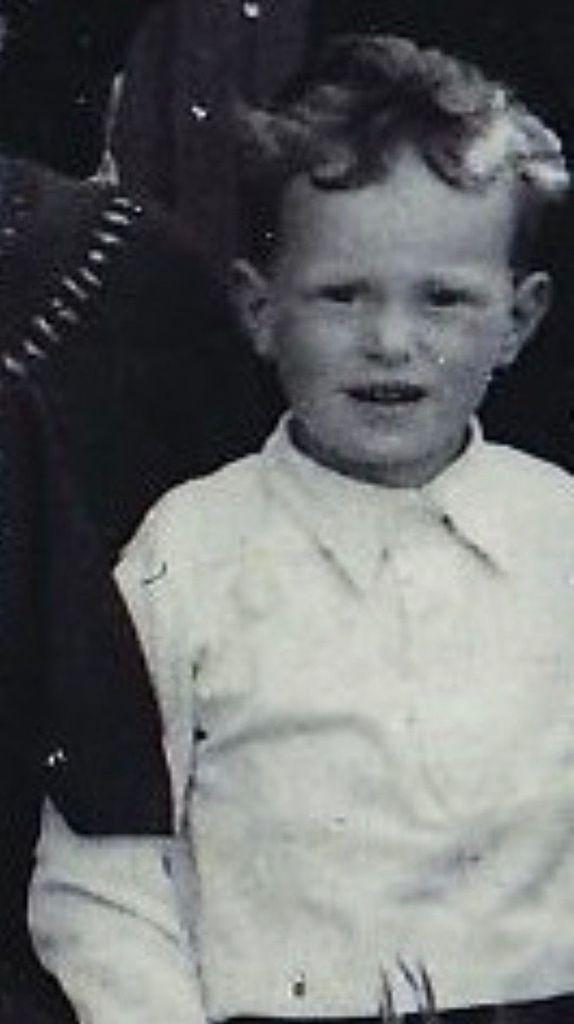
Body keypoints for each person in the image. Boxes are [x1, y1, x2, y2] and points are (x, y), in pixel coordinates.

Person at [29, 33, 574, 1023]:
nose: (390, 341)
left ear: (519, 320)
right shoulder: (188, 554)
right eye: (340, 295)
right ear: (258, 309)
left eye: (445, 298)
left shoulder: (559, 538)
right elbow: (104, 863)